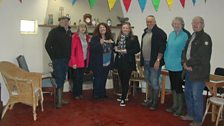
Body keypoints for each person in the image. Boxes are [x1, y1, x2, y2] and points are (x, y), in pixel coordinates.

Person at [181, 16, 212, 126]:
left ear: (203, 24)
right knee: (188, 94)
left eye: (197, 23)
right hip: (189, 71)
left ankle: (198, 120)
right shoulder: (192, 36)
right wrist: (184, 63)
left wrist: (188, 64)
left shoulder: (205, 38)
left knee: (197, 97)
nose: (195, 25)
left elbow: (201, 56)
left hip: (198, 72)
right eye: (193, 23)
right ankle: (190, 114)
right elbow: (185, 51)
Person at [140, 15, 167, 110]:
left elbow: (162, 48)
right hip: (146, 62)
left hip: (154, 62)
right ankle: (151, 100)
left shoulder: (160, 33)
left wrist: (158, 61)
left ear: (155, 22)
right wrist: (142, 63)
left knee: (154, 82)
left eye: (151, 21)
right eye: (147, 21)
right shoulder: (145, 33)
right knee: (149, 81)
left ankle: (155, 102)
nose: (149, 23)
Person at [45, 16, 72, 108]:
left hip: (66, 60)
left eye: (67, 21)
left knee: (63, 78)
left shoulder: (69, 32)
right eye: (63, 21)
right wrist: (53, 57)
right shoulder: (54, 31)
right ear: (59, 21)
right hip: (57, 60)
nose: (65, 22)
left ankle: (60, 99)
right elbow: (47, 45)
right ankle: (59, 102)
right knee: (59, 78)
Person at [164, 17, 188, 116]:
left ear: (182, 24)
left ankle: (180, 108)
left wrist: (183, 62)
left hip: (179, 65)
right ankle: (174, 106)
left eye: (178, 23)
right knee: (173, 86)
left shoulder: (185, 36)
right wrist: (165, 59)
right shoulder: (171, 34)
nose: (176, 25)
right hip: (170, 64)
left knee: (178, 87)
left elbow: (186, 51)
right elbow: (168, 48)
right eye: (174, 23)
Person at [114, 22, 140, 106]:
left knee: (126, 80)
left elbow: (137, 49)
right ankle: (123, 95)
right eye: (123, 28)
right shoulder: (119, 38)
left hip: (128, 62)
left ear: (129, 29)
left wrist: (127, 51)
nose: (125, 29)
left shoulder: (134, 38)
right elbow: (115, 48)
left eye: (127, 28)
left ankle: (123, 99)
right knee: (121, 80)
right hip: (120, 62)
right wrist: (115, 49)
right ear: (121, 29)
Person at [89, 23, 114, 99]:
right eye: (100, 28)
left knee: (104, 78)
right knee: (97, 78)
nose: (102, 29)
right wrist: (100, 43)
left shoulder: (110, 38)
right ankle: (96, 93)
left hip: (107, 61)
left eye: (103, 27)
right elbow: (92, 49)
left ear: (106, 29)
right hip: (98, 62)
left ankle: (102, 93)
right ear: (98, 29)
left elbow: (113, 48)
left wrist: (113, 43)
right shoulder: (95, 38)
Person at [68, 22, 91, 99]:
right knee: (76, 79)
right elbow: (72, 51)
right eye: (81, 27)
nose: (83, 28)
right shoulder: (75, 37)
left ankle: (80, 93)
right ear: (78, 28)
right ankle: (76, 94)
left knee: (81, 78)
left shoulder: (87, 37)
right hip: (77, 61)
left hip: (84, 61)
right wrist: (73, 63)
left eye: (84, 27)